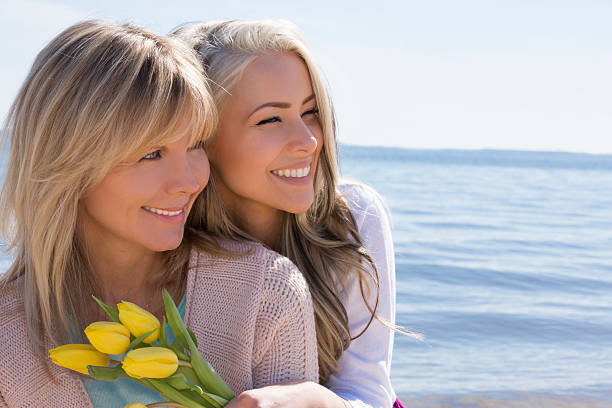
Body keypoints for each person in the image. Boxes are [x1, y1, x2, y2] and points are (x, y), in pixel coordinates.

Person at [0, 21, 318, 407]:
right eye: (151, 154)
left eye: (196, 144)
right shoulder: (8, 335)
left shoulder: (266, 293)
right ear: (69, 161)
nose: (187, 181)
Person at [173, 20, 412, 408]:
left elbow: (370, 393)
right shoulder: (166, 226)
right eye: (271, 119)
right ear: (202, 136)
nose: (308, 140)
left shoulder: (350, 217)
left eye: (311, 112)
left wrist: (312, 400)